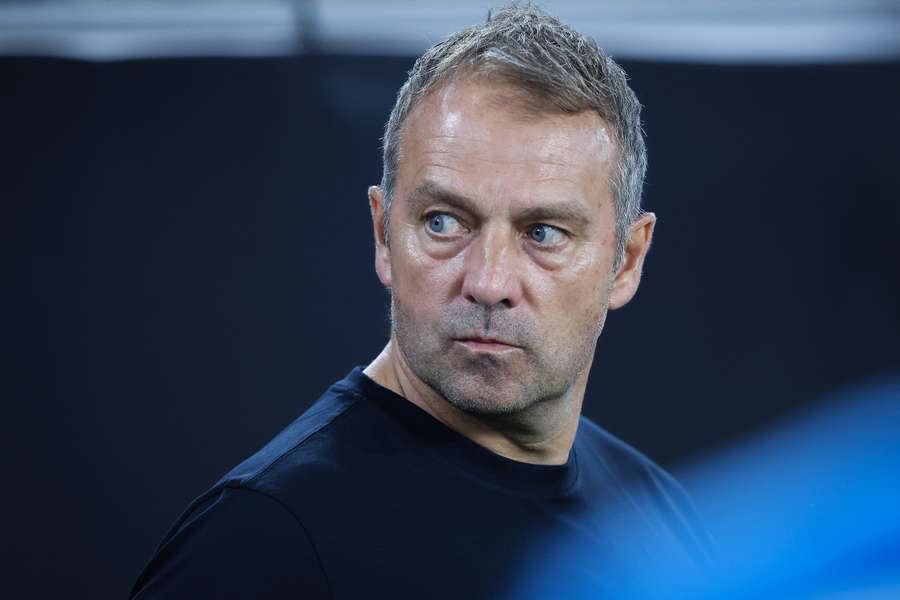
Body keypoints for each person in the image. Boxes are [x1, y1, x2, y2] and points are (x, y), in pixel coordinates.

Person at [131, 4, 710, 598]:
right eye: (443, 222)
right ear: (384, 235)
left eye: (543, 233)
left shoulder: (663, 522)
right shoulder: (262, 542)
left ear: (628, 261)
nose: (488, 282)